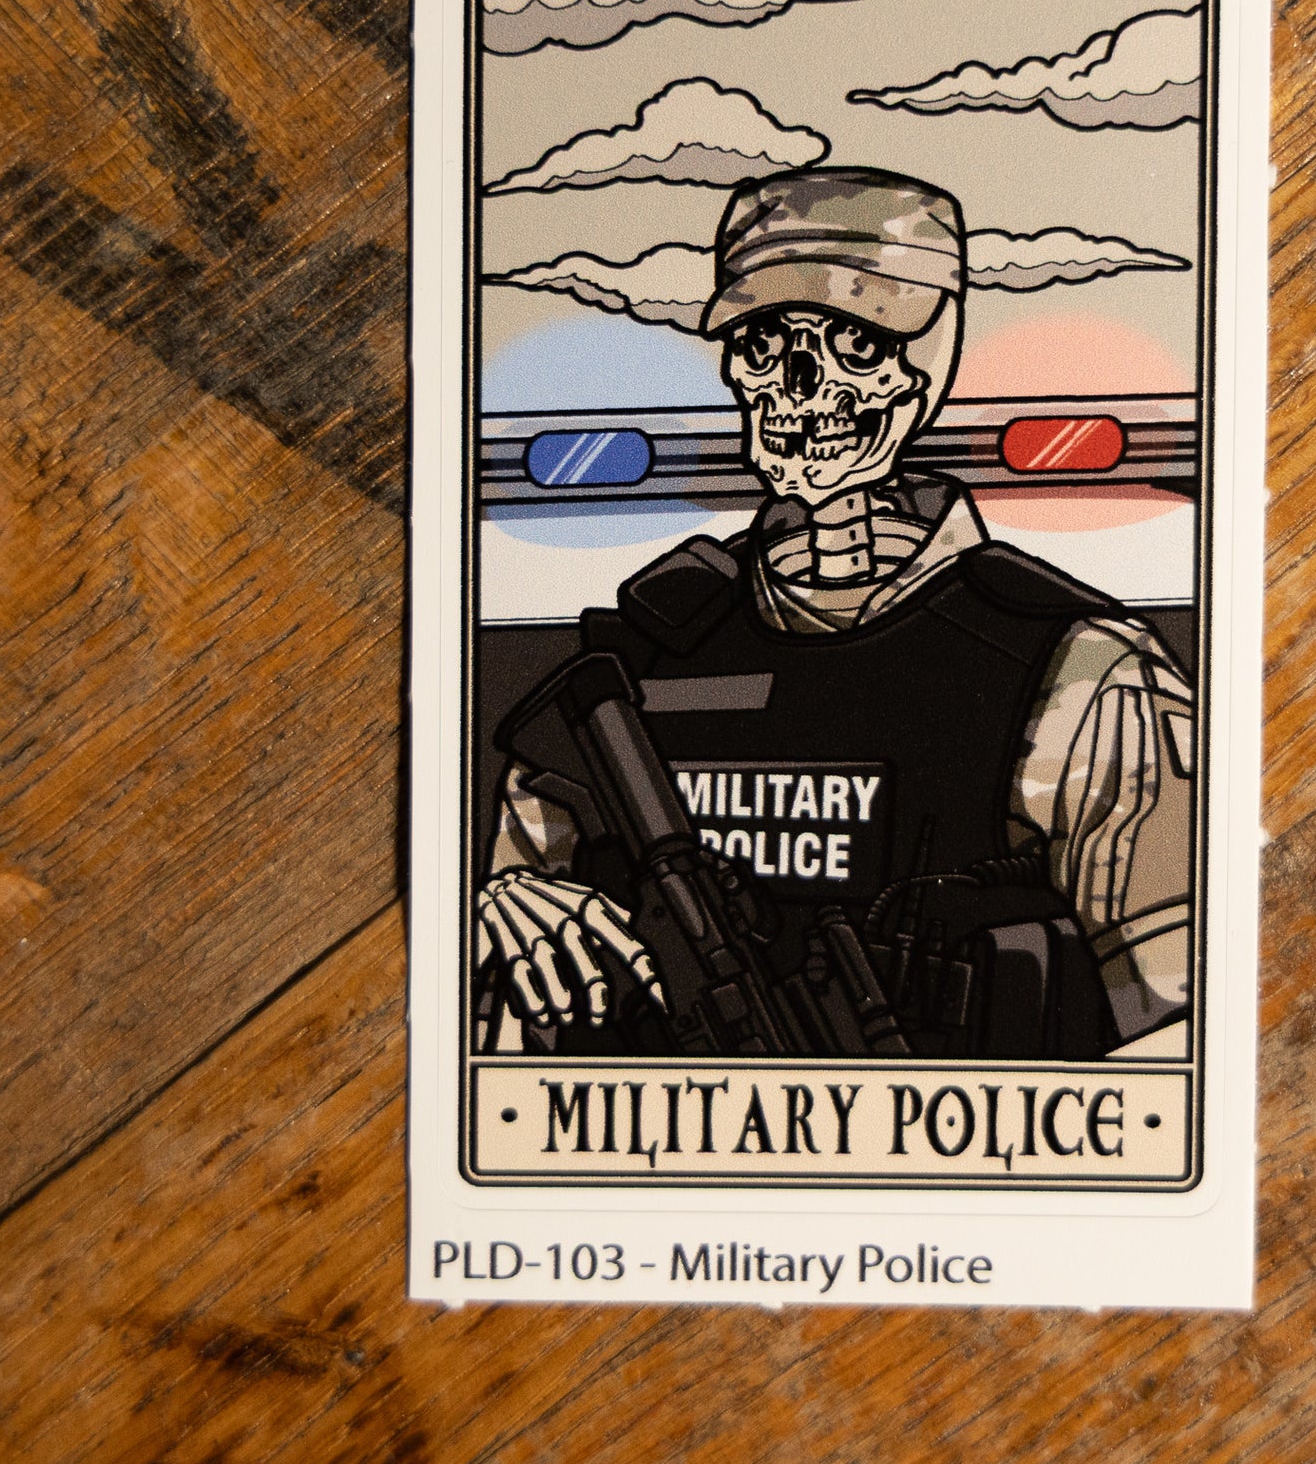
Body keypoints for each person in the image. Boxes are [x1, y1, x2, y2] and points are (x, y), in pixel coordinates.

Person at [475, 168, 1195, 1057]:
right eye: (762, 343)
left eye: (857, 344)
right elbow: (506, 966)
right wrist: (505, 903)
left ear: (934, 351)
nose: (801, 383)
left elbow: (1176, 1033)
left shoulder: (1077, 669)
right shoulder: (643, 654)